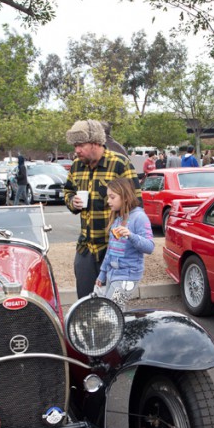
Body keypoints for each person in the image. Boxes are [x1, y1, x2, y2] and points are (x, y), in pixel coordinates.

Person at [63, 119, 141, 299]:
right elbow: (67, 191)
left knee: (112, 305)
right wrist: (72, 202)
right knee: (85, 302)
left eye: (81, 145)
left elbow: (136, 204)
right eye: (75, 145)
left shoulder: (120, 164)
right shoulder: (76, 166)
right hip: (86, 249)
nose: (77, 150)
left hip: (114, 249)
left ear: (96, 142)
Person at [94, 177, 154, 310]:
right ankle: (120, 330)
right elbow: (110, 250)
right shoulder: (117, 217)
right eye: (108, 197)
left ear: (125, 197)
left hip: (128, 277)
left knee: (111, 311)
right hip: (112, 275)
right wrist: (102, 273)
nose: (108, 201)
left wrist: (130, 235)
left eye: (112, 197)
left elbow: (150, 247)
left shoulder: (139, 217)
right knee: (115, 312)